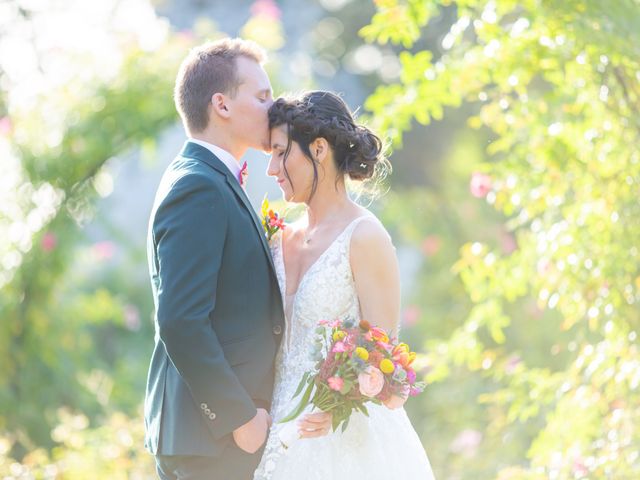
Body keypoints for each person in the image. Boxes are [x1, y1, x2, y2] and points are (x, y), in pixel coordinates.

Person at [253, 91, 435, 479]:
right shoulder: (277, 237)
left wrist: (335, 406)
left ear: (318, 149)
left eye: (281, 152)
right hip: (274, 434)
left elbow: (385, 363)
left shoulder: (365, 236)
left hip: (343, 444)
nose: (271, 168)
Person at [144, 37, 285, 479]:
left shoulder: (211, 178)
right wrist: (239, 419)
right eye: (262, 96)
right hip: (213, 441)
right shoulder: (198, 185)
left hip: (217, 442)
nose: (274, 107)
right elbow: (181, 319)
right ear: (221, 105)